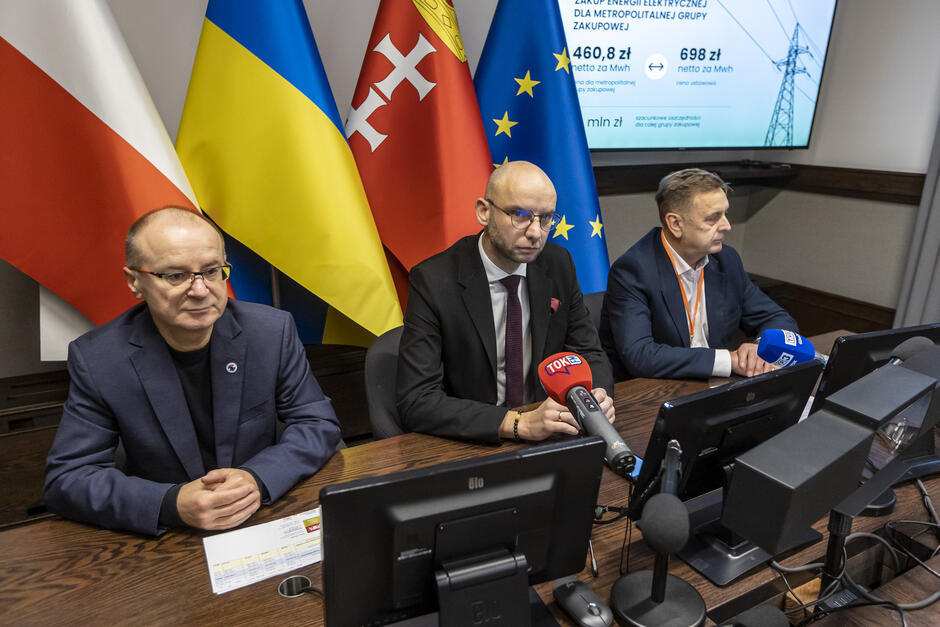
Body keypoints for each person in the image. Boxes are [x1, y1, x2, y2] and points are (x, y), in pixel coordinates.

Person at [44, 207, 341, 536]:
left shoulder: (270, 331)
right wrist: (170, 503)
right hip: (173, 539)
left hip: (261, 517)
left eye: (212, 271)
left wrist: (258, 477)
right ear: (135, 281)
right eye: (175, 275)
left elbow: (317, 423)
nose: (201, 290)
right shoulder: (99, 359)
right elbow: (68, 478)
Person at [397, 161, 615, 443]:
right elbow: (417, 399)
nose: (536, 232)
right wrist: (516, 424)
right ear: (484, 212)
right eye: (520, 215)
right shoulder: (434, 280)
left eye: (546, 218)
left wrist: (595, 397)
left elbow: (589, 353)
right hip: (474, 440)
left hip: (551, 431)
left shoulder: (557, 264)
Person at [600, 168, 799, 380]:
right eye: (713, 218)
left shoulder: (726, 260)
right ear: (675, 224)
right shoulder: (633, 270)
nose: (727, 226)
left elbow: (778, 318)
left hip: (714, 386)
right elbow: (641, 356)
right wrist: (729, 360)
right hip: (654, 392)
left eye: (725, 214)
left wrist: (759, 350)